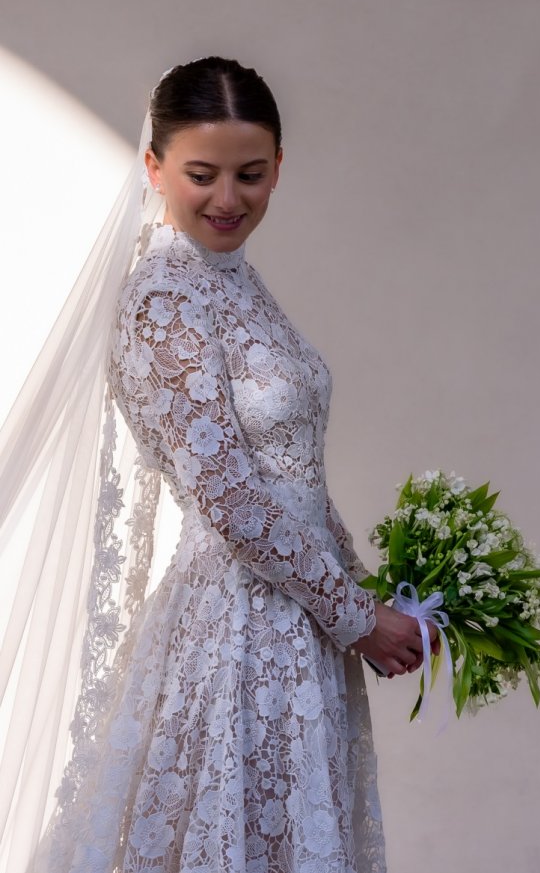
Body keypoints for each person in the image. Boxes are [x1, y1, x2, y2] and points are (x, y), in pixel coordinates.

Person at [0, 57, 437, 873]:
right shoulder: (165, 296)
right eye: (202, 174)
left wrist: (368, 592)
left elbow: (294, 476)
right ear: (154, 165)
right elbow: (233, 497)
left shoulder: (233, 279)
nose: (228, 199)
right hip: (236, 628)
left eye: (251, 174)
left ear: (279, 168)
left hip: (296, 617)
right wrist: (355, 616)